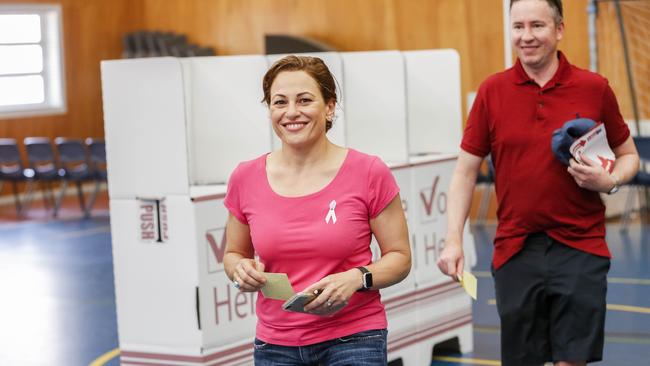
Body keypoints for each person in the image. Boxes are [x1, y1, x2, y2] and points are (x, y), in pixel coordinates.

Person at [437, 1, 640, 365]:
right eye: (518, 27)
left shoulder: (594, 88)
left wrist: (609, 181)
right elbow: (465, 171)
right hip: (515, 248)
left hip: (581, 244)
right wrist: (453, 239)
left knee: (571, 359)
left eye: (537, 26)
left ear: (559, 29)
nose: (526, 36)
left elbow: (630, 156)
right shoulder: (491, 92)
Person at [223, 55, 411, 365]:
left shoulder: (368, 171)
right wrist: (240, 271)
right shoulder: (245, 177)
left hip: (354, 338)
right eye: (279, 102)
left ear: (329, 107)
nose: (291, 112)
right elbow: (233, 255)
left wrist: (355, 279)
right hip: (275, 345)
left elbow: (401, 258)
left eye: (305, 100)